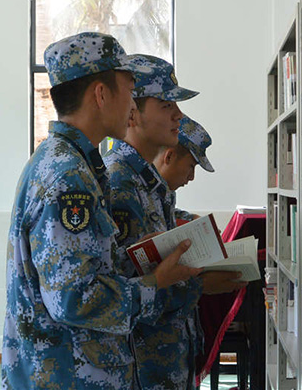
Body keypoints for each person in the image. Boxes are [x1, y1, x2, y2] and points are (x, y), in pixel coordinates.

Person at [1, 33, 202, 390]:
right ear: (101, 94)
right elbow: (73, 299)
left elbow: (87, 268)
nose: (132, 105)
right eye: (129, 90)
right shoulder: (68, 178)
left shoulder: (69, 163)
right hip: (69, 377)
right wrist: (156, 285)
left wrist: (139, 255)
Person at [104, 55, 246, 389]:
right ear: (132, 111)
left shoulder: (148, 183)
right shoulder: (118, 183)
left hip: (166, 362)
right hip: (143, 368)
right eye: (167, 105)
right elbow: (122, 291)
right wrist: (200, 285)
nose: (179, 115)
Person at [153, 115, 214, 223]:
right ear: (169, 157)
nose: (191, 177)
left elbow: (162, 213)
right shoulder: (132, 184)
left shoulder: (163, 190)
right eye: (191, 166)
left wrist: (191, 219)